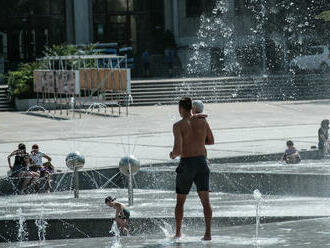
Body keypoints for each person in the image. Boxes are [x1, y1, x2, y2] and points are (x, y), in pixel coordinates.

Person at [169, 97, 214, 241]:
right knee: (206, 201)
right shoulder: (202, 121)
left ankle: (178, 233)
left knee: (180, 201)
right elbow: (211, 140)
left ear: (181, 109)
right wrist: (199, 141)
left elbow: (177, 150)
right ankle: (207, 234)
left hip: (187, 164)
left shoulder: (178, 125)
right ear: (191, 108)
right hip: (202, 163)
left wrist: (172, 155)